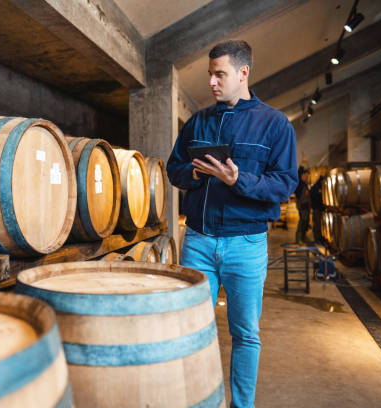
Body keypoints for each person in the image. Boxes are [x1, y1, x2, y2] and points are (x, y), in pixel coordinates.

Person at [167, 40, 298, 408]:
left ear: (243, 73)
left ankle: (242, 405)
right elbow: (172, 167)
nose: (212, 82)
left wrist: (236, 180)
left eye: (219, 74)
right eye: (210, 74)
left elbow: (285, 183)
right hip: (199, 240)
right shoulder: (198, 121)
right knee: (193, 329)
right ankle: (200, 401)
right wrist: (194, 171)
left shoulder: (273, 124)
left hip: (246, 244)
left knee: (245, 333)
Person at [294, 167, 310, 244]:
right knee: (302, 222)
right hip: (302, 206)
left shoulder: (303, 184)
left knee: (305, 222)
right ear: (301, 175)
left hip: (305, 206)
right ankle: (298, 238)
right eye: (305, 175)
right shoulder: (300, 184)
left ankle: (303, 237)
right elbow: (298, 197)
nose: (306, 177)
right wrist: (300, 204)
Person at [310, 175, 325, 243]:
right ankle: (317, 238)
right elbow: (315, 198)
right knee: (317, 224)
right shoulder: (315, 187)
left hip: (319, 208)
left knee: (319, 223)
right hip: (317, 208)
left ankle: (319, 237)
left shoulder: (317, 187)